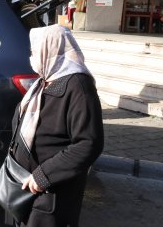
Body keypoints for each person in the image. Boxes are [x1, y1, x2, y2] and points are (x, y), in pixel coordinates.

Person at [11, 25, 104, 226]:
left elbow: (88, 143)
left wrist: (44, 176)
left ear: (50, 50)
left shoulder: (79, 87)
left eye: (34, 51)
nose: (32, 56)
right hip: (27, 187)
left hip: (51, 193)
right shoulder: (45, 81)